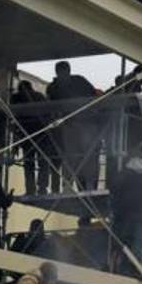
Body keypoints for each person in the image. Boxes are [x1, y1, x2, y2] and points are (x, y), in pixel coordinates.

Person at [47, 61, 101, 191]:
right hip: (72, 125)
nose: (63, 75)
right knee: (75, 157)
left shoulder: (74, 82)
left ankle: (86, 186)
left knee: (85, 156)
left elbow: (93, 96)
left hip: (83, 124)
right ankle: (77, 186)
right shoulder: (56, 86)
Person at [11, 79, 57, 196]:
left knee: (29, 163)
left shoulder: (15, 98)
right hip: (42, 133)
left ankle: (30, 190)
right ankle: (42, 188)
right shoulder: (40, 96)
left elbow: (14, 118)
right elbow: (49, 113)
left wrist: (15, 144)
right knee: (43, 162)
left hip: (26, 134)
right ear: (31, 87)